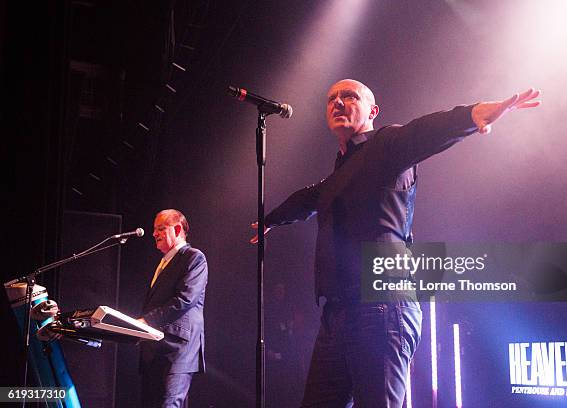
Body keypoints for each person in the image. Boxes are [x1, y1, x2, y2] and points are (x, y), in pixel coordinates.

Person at [251, 79, 541, 407]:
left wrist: (473, 115)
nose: (338, 102)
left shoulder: (386, 145)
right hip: (338, 314)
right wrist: (270, 220)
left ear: (372, 110)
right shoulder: (339, 173)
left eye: (349, 96)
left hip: (382, 307)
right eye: (332, 98)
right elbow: (309, 198)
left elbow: (425, 132)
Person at [139, 209, 208, 408]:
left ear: (177, 229)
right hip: (155, 349)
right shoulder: (163, 262)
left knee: (168, 405)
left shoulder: (194, 258)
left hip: (178, 349)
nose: (154, 234)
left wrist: (146, 321)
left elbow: (185, 299)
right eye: (154, 229)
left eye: (160, 229)